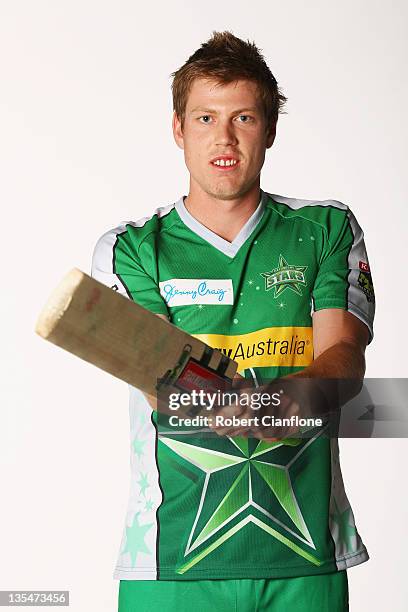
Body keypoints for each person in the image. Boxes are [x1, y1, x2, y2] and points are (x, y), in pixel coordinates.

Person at [91, 31, 375, 612]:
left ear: (269, 130)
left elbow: (345, 356)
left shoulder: (325, 229)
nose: (223, 137)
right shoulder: (130, 249)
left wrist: (299, 396)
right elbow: (159, 378)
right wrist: (229, 402)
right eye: (204, 117)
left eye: (243, 116)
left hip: (306, 556)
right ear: (178, 129)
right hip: (171, 562)